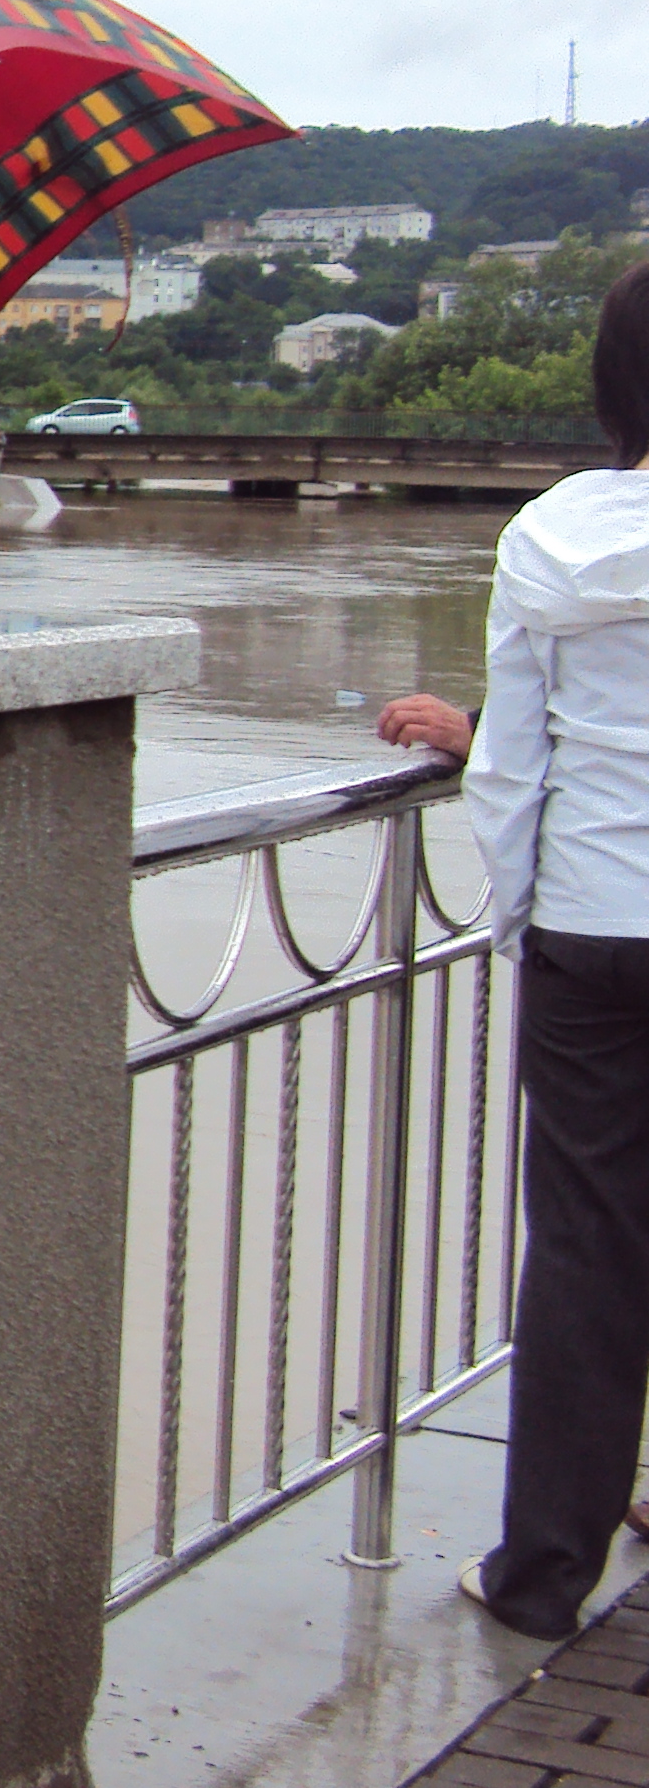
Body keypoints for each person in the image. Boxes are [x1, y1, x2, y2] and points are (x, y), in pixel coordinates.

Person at [384, 259, 649, 1637]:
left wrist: (520, 923)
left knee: (589, 1246)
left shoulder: (550, 536)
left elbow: (517, 771)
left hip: (592, 927)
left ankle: (544, 1572)